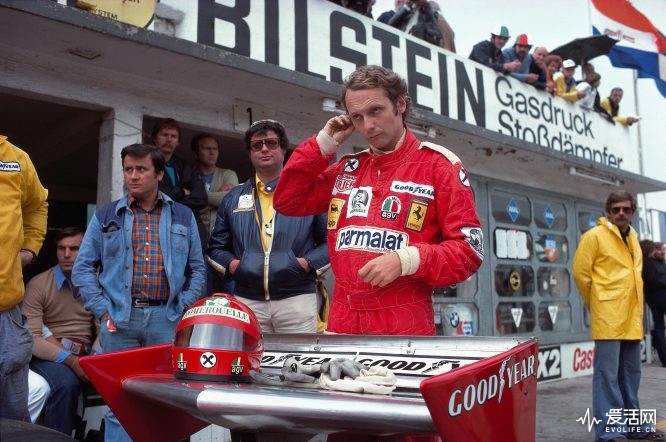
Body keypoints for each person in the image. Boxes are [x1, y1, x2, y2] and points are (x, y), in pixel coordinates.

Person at [273, 65, 484, 336]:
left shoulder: (439, 165)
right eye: (356, 117)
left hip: (404, 322)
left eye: (375, 111)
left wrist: (407, 259)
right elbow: (287, 201)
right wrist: (323, 144)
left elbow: (469, 252)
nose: (367, 126)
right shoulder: (349, 168)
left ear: (401, 104)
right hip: (342, 320)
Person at [72, 143, 205, 442]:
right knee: (119, 405)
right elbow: (82, 268)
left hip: (166, 319)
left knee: (169, 401)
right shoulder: (107, 215)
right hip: (120, 321)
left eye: (141, 169)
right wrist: (103, 310)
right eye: (128, 169)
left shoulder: (183, 215)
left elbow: (197, 269)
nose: (133, 176)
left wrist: (183, 306)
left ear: (159, 174)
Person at [207, 120, 329, 333]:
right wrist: (235, 265)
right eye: (257, 145)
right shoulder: (233, 198)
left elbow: (331, 242)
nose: (264, 148)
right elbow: (215, 249)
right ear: (250, 153)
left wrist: (305, 263)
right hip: (247, 300)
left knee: (298, 365)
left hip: (297, 298)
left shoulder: (308, 193)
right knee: (253, 364)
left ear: (283, 149)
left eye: (271, 143)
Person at [573, 190, 665, 442]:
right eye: (616, 209)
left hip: (631, 318)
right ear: (608, 211)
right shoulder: (594, 237)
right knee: (607, 377)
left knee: (630, 376)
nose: (621, 213)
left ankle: (634, 427)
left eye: (626, 209)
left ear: (632, 212)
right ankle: (611, 432)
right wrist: (599, 303)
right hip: (608, 316)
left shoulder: (634, 238)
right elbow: (581, 275)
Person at [22, 226, 98, 435]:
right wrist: (72, 361)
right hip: (48, 355)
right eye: (61, 248)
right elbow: (32, 337)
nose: (66, 255)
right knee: (64, 384)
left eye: (74, 248)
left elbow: (104, 328)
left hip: (87, 354)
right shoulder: (39, 284)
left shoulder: (96, 283)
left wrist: (95, 357)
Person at [0, 135, 48, 422]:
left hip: (5, 312)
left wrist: (30, 248)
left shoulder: (15, 157)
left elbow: (37, 205)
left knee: (13, 420)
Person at [191, 133, 239, 294]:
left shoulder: (228, 174)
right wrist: (216, 197)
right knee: (203, 296)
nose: (212, 152)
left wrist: (197, 199)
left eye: (215, 149)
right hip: (198, 248)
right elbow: (185, 206)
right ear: (196, 152)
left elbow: (230, 201)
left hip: (225, 248)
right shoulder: (190, 176)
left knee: (233, 296)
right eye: (207, 148)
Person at [151, 118, 208, 247]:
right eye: (165, 135)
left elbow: (201, 198)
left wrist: (171, 199)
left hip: (190, 229)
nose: (169, 139)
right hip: (158, 227)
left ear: (178, 142)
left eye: (173, 136)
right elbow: (153, 194)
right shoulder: (147, 166)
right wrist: (182, 191)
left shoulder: (188, 167)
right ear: (154, 138)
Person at [640, 240, 666, 367]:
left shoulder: (653, 262)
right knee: (659, 327)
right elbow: (651, 280)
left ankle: (664, 358)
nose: (662, 252)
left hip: (653, 298)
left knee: (659, 326)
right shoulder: (648, 262)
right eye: (660, 249)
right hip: (659, 296)